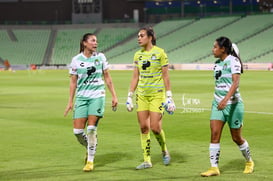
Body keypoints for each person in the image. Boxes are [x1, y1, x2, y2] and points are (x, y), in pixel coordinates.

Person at [64, 33, 118, 172]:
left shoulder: (100, 58)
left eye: (96, 41)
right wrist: (70, 101)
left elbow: (107, 77)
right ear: (84, 43)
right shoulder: (76, 60)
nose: (96, 43)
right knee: (77, 131)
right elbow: (73, 82)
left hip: (97, 96)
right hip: (82, 97)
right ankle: (90, 145)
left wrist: (114, 96)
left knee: (91, 129)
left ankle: (90, 161)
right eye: (93, 41)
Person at [201, 37, 254, 177]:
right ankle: (214, 168)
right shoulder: (217, 64)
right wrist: (220, 100)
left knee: (236, 138)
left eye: (215, 47)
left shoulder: (233, 61)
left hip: (234, 105)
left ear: (223, 49)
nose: (213, 49)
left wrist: (226, 99)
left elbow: (235, 83)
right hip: (218, 104)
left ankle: (249, 161)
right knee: (214, 134)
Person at [126, 27, 176, 170]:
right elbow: (135, 77)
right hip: (141, 95)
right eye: (138, 36)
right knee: (143, 128)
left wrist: (169, 96)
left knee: (155, 127)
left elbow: (166, 76)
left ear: (150, 37)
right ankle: (147, 160)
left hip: (157, 95)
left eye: (141, 36)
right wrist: (130, 96)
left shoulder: (160, 53)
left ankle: (164, 150)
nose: (138, 38)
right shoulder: (137, 55)